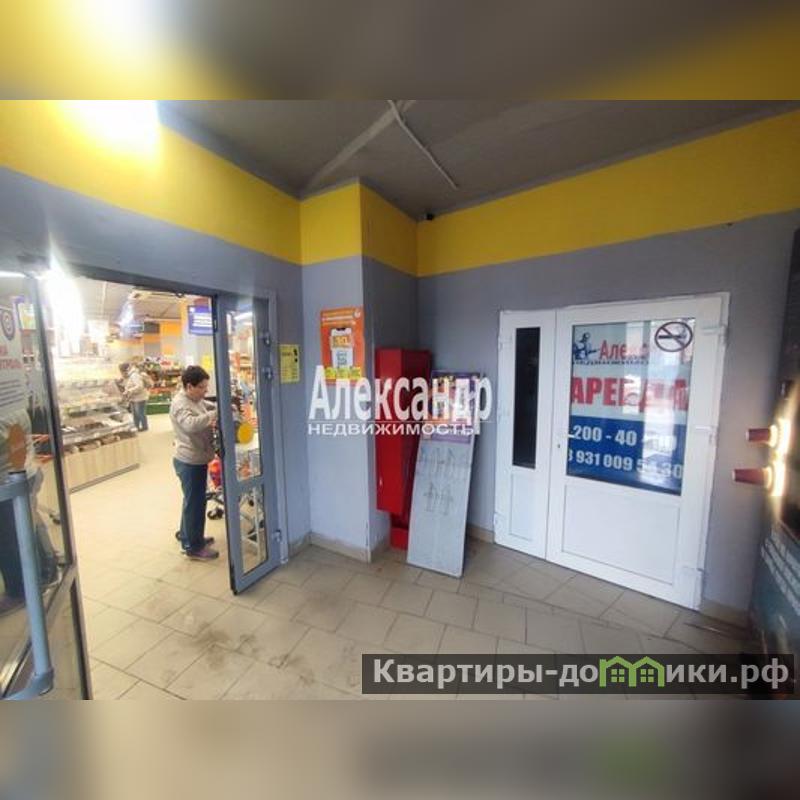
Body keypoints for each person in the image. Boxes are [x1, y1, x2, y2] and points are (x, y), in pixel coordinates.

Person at [169, 365, 219, 560]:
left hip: (197, 457)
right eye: (202, 387)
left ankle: (188, 536)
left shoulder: (194, 398)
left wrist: (220, 405)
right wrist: (213, 415)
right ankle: (194, 547)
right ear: (189, 386)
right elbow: (190, 425)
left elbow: (204, 404)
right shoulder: (180, 404)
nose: (205, 391)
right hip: (189, 461)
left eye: (206, 387)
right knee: (196, 504)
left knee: (192, 501)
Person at [120, 362, 150, 432]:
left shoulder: (134, 375)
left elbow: (139, 386)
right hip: (134, 398)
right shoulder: (131, 375)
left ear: (125, 370)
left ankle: (144, 427)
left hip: (139, 398)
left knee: (140, 413)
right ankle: (136, 426)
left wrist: (129, 391)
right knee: (135, 414)